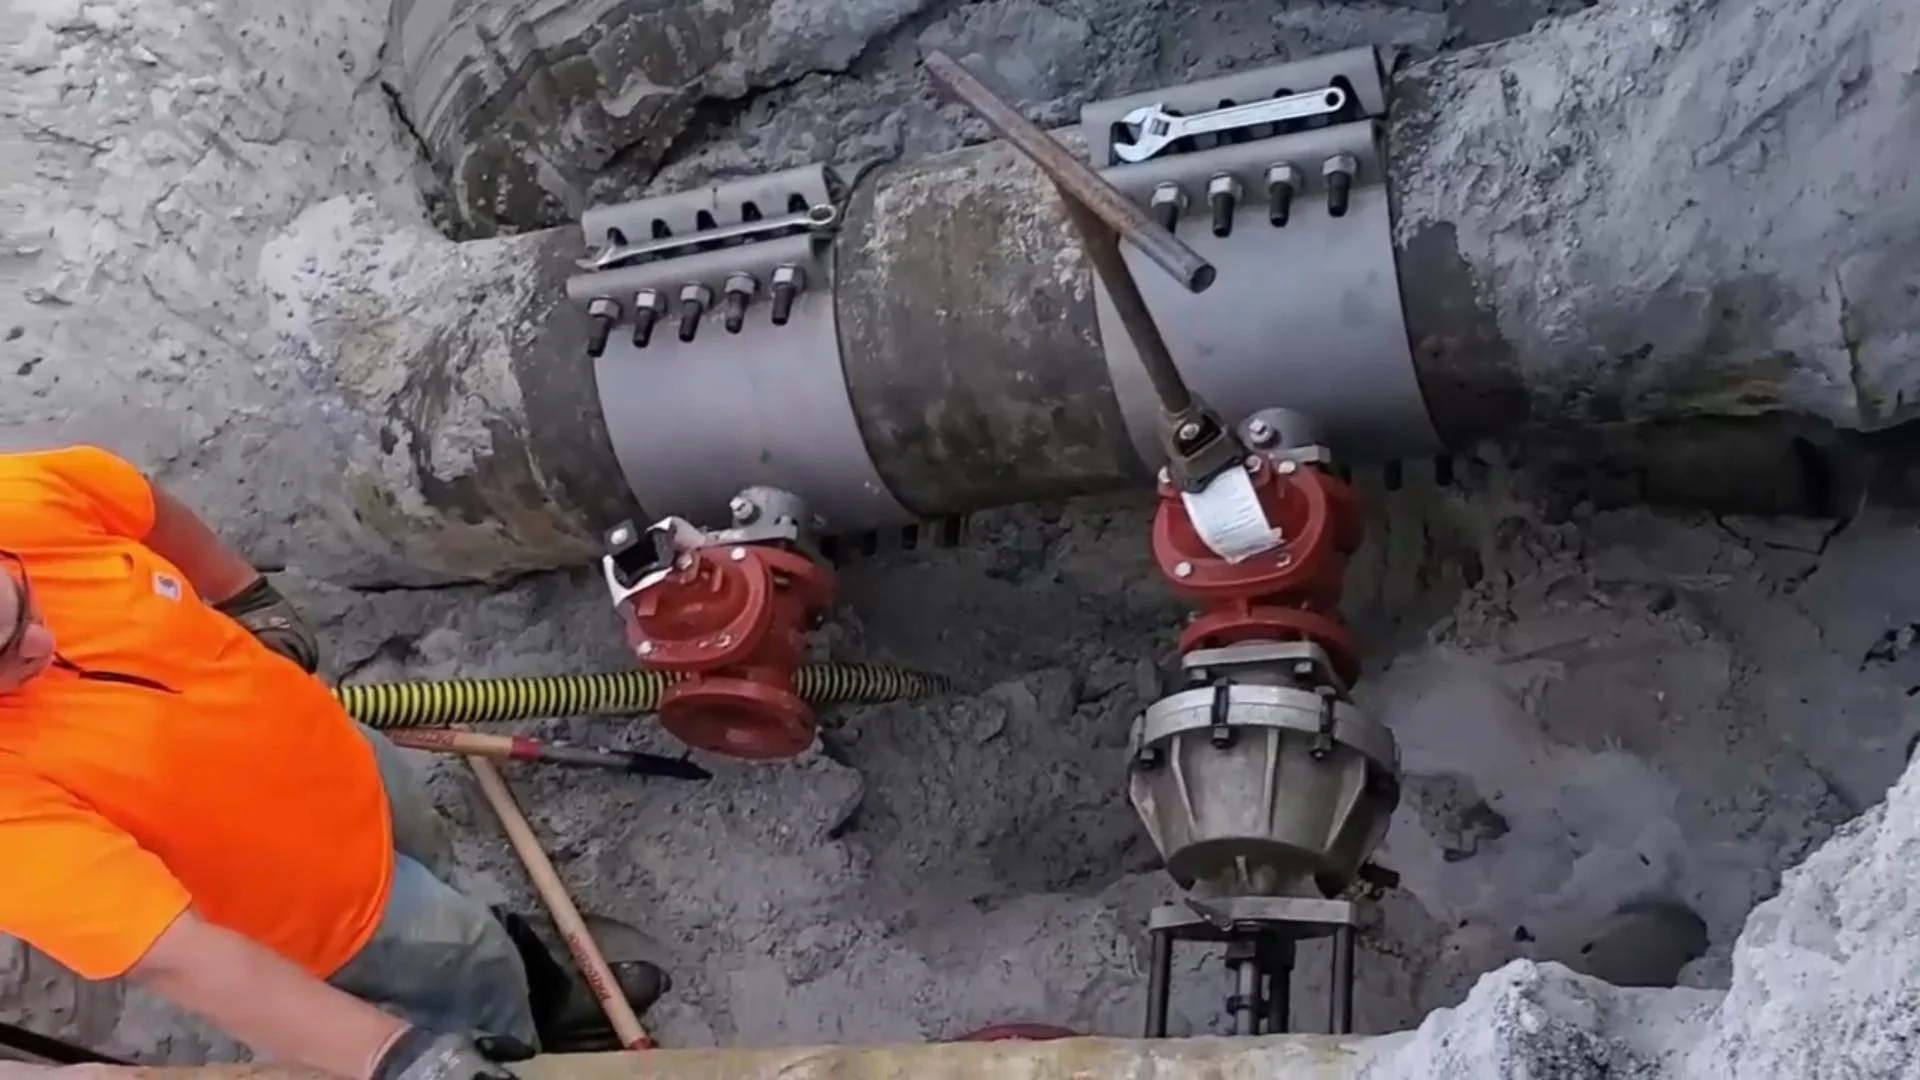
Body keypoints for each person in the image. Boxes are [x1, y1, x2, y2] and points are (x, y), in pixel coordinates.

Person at [0, 446, 663, 1079]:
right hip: (315, 907)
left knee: (448, 880)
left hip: (343, 757)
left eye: (22, 599)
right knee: (463, 958)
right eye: (3, 657)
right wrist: (396, 1059)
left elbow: (136, 500)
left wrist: (240, 593)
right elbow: (178, 958)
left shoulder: (17, 504)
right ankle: (525, 1044)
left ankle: (540, 994)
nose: (42, 641)